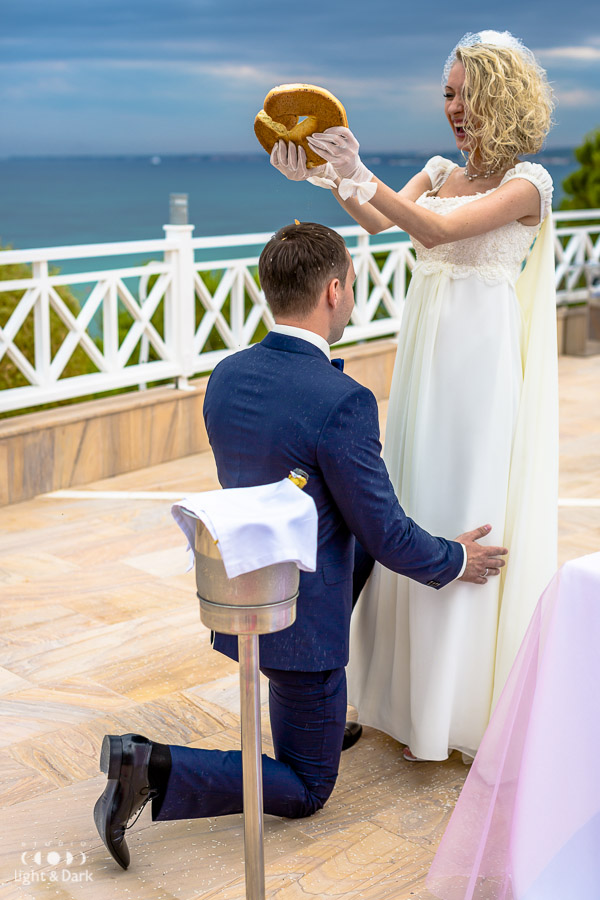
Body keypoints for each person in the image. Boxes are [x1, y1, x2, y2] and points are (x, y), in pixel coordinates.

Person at [93, 222, 507, 870]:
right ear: (334, 291)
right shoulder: (343, 401)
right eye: (352, 287)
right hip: (301, 630)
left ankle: (326, 718)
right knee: (308, 788)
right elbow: (386, 534)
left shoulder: (227, 375)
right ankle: (149, 765)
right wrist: (455, 559)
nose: (352, 298)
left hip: (243, 590)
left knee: (346, 534)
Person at [270, 30, 558, 762]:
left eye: (464, 94)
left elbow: (434, 227)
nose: (452, 107)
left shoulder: (528, 184)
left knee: (462, 501)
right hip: (426, 355)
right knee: (411, 500)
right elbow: (380, 218)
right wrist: (325, 176)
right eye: (448, 94)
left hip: (479, 370)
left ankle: (455, 711)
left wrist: (359, 172)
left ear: (500, 98)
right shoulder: (438, 170)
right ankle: (404, 700)